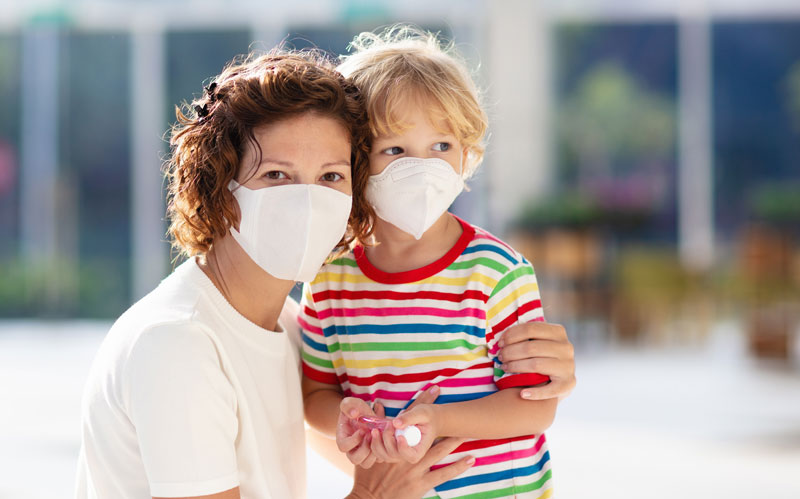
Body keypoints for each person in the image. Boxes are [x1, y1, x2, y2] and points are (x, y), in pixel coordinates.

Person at [75, 48, 574, 499]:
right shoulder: (177, 344)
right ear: (218, 186)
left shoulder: (286, 323)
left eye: (330, 176)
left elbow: (368, 431)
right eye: (276, 175)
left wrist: (533, 386)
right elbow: (369, 469)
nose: (309, 200)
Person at [301, 26, 561, 499]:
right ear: (355, 160)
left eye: (440, 147)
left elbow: (534, 406)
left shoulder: (498, 272)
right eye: (394, 150)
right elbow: (316, 394)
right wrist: (345, 414)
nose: (421, 168)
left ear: (466, 154)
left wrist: (439, 419)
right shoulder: (328, 279)